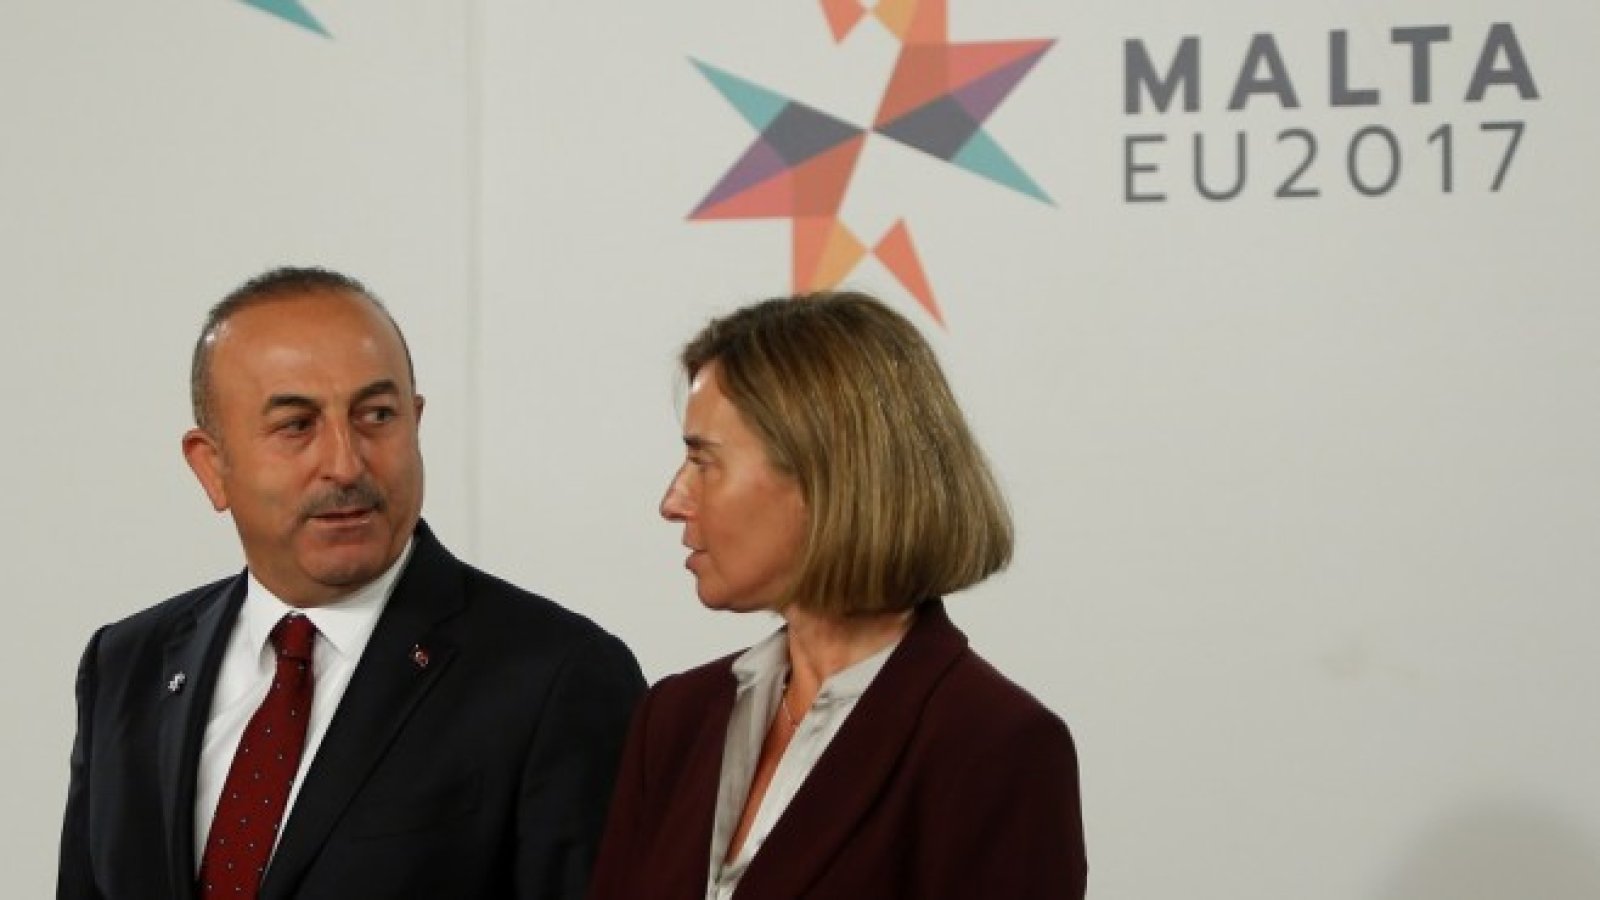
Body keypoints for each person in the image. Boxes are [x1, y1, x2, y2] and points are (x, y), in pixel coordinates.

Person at [58, 267, 646, 900]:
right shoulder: (126, 668)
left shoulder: (557, 677)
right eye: (297, 425)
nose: (345, 463)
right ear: (212, 466)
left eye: (377, 415)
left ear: (416, 422)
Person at [588, 291, 1087, 899]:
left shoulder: (992, 746)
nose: (673, 501)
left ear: (823, 474)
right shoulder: (675, 720)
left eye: (704, 461)